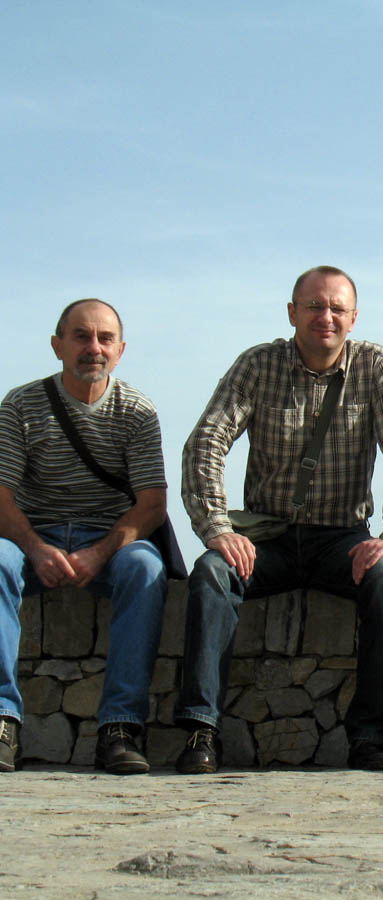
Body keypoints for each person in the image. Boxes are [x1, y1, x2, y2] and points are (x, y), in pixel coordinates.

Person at [175, 265, 383, 773]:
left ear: (353, 318)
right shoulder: (258, 365)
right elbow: (207, 441)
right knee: (211, 573)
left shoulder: (376, 366)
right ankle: (202, 730)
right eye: (314, 306)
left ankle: (371, 738)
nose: (325, 317)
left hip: (341, 540)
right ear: (292, 313)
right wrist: (217, 527)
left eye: (336, 308)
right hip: (266, 538)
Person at [0, 299, 168, 774]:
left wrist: (99, 553)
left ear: (120, 350)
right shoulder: (20, 405)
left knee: (146, 567)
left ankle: (120, 726)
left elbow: (151, 505)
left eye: (105, 338)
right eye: (81, 336)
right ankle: (3, 719)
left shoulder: (137, 411)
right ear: (57, 346)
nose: (93, 347)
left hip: (107, 538)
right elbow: (2, 498)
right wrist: (36, 548)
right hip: (34, 535)